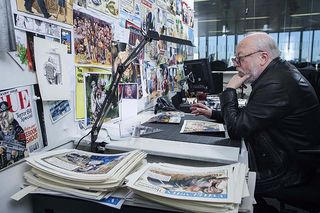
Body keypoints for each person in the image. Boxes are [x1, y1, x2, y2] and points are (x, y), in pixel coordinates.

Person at [191, 32, 320, 210]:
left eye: (240, 58)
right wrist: (213, 113)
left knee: (219, 182)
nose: (235, 65)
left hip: (286, 168)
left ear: (263, 57)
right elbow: (253, 115)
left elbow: (237, 129)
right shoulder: (278, 73)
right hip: (282, 154)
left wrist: (229, 90)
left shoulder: (276, 84)